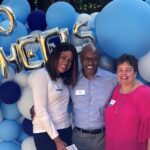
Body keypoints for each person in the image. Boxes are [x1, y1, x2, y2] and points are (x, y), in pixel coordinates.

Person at [29, 42, 79, 150]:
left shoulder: (62, 79)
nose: (66, 62)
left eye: (70, 61)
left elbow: (58, 103)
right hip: (47, 134)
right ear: (55, 56)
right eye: (63, 57)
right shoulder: (41, 75)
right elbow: (41, 111)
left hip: (65, 129)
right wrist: (57, 140)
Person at [70, 43, 117, 150]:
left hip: (102, 138)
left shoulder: (111, 79)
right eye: (87, 59)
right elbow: (59, 96)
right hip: (78, 138)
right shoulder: (72, 80)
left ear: (99, 59)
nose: (90, 62)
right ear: (81, 59)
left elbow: (129, 88)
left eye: (94, 59)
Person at [105, 54, 150, 150]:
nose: (123, 73)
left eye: (128, 70)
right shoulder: (116, 90)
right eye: (120, 70)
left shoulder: (144, 93)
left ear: (135, 73)